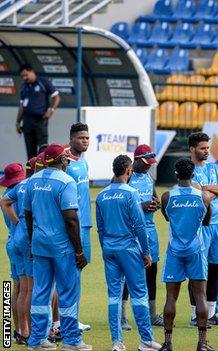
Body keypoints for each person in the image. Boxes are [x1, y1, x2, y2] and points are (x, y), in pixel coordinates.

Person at [23, 144, 91, 350]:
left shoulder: (32, 181)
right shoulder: (66, 181)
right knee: (68, 292)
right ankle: (71, 340)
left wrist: (33, 241)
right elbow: (71, 218)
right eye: (66, 158)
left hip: (40, 246)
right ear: (61, 160)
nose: (68, 160)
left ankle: (36, 340)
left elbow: (27, 215)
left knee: (41, 292)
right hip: (62, 248)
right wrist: (79, 250)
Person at [95, 155, 161, 351]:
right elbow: (140, 226)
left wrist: (105, 247)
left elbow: (100, 228)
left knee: (114, 296)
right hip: (129, 249)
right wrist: (146, 252)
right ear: (128, 171)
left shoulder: (101, 195)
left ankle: (117, 342)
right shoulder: (131, 193)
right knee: (139, 293)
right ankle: (146, 340)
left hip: (109, 249)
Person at [159, 158, 216, 351]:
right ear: (193, 175)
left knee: (170, 298)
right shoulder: (204, 196)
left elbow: (168, 217)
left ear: (175, 174)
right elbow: (207, 221)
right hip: (196, 249)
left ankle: (167, 343)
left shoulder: (167, 196)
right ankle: (201, 343)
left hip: (175, 250)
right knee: (200, 295)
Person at [188, 132, 218, 327]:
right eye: (203, 148)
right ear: (192, 149)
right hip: (200, 227)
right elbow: (196, 193)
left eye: (207, 148)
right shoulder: (189, 170)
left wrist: (207, 190)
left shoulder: (214, 167)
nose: (207, 151)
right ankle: (195, 315)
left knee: (216, 269)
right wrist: (213, 191)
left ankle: (212, 313)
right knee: (198, 270)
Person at [122, 144, 163, 329]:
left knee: (151, 273)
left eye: (150, 164)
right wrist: (142, 206)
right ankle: (122, 316)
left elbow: (154, 198)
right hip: (132, 232)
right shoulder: (127, 178)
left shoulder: (148, 177)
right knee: (128, 274)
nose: (148, 166)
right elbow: (122, 205)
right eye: (145, 163)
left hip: (150, 231)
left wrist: (156, 203)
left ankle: (152, 314)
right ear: (136, 160)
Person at [64, 123, 92, 333]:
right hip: (72, 226)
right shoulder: (64, 162)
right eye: (81, 138)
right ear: (72, 138)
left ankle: (73, 317)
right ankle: (64, 321)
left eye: (87, 138)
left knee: (77, 272)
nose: (85, 141)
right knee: (68, 273)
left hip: (86, 225)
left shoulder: (84, 162)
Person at [0, 163, 27, 344]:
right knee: (28, 289)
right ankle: (27, 333)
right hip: (22, 239)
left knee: (15, 288)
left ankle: (15, 332)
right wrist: (19, 224)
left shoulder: (5, 195)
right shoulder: (22, 192)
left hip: (11, 241)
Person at [15, 63, 60, 159]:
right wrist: (18, 122)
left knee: (43, 148)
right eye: (22, 76)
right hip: (27, 121)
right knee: (30, 150)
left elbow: (56, 97)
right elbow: (22, 106)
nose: (24, 78)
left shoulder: (43, 82)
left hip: (40, 120)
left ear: (32, 71)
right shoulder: (24, 87)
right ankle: (31, 172)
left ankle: (43, 170)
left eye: (26, 75)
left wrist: (51, 110)